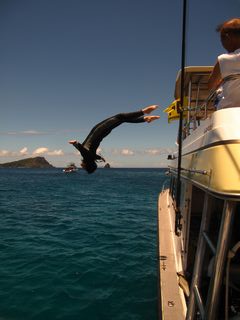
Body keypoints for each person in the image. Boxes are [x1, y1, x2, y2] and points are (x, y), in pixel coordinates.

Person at [69, 105, 160, 174]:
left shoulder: (90, 157)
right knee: (120, 117)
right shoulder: (87, 156)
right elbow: (83, 150)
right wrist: (76, 143)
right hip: (99, 131)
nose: (83, 167)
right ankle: (144, 112)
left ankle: (145, 119)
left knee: (122, 120)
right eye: (85, 168)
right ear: (87, 165)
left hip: (102, 133)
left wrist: (101, 158)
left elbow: (89, 154)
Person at [208, 18, 240, 109]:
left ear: (228, 38)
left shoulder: (223, 59)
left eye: (222, 38)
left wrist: (220, 82)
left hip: (227, 111)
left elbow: (210, 85)